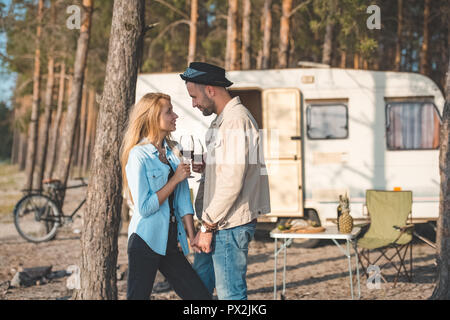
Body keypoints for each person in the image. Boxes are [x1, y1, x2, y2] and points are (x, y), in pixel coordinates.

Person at [180, 62, 271, 300]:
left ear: (210, 90)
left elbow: (232, 182)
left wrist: (207, 227)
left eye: (194, 96)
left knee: (230, 295)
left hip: (228, 226)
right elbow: (230, 169)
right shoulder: (222, 121)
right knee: (199, 288)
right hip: (215, 222)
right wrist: (208, 167)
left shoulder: (235, 121)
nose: (193, 103)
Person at [120, 92, 211, 300]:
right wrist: (174, 179)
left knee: (200, 297)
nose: (175, 115)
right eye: (169, 111)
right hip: (145, 240)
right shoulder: (138, 155)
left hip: (171, 240)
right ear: (153, 117)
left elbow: (182, 199)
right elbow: (144, 207)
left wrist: (191, 234)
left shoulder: (173, 150)